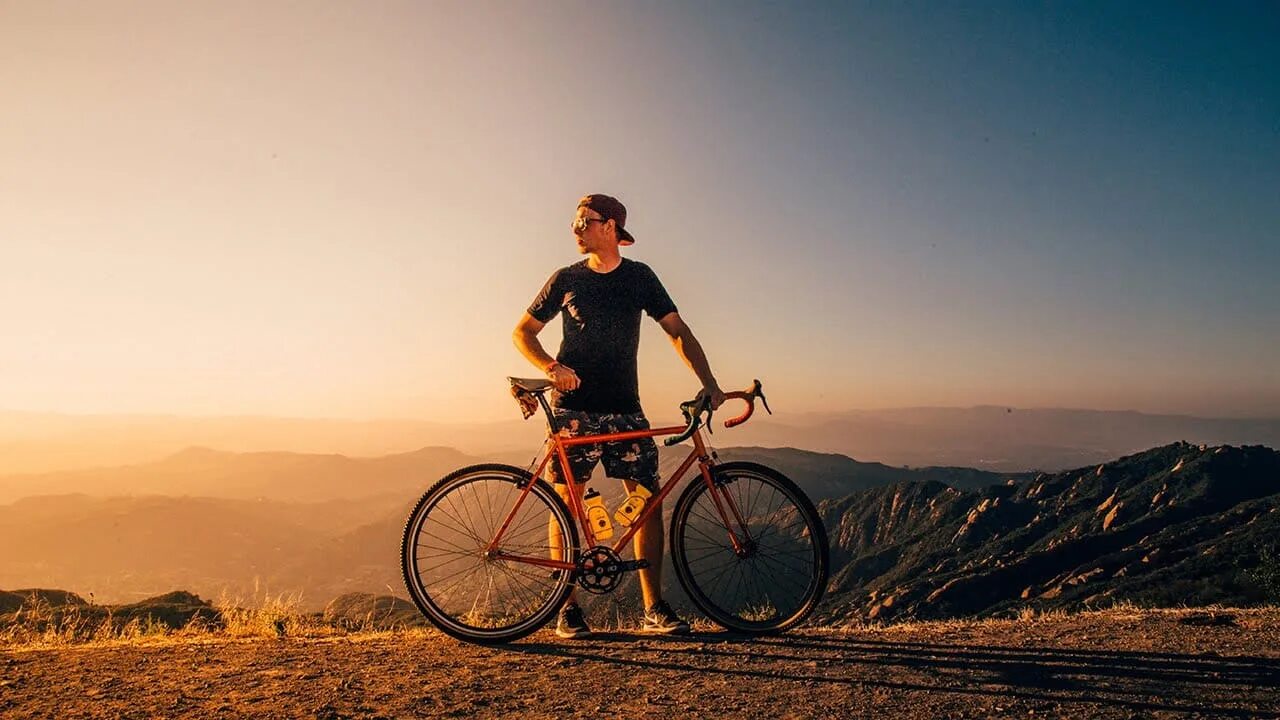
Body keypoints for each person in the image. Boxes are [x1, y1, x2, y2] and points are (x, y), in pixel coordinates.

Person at [513, 193, 726, 638]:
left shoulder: (639, 277)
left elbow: (677, 331)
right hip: (573, 409)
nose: (575, 228)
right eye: (574, 221)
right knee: (566, 503)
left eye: (583, 221)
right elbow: (523, 332)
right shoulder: (565, 278)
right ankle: (566, 610)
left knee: (649, 503)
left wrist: (708, 381)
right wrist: (552, 367)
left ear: (610, 227)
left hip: (626, 407)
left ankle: (655, 608)